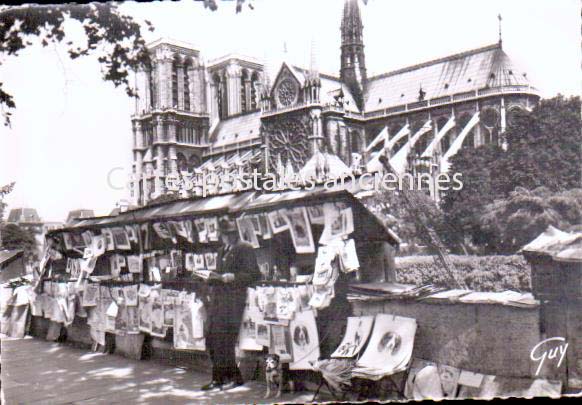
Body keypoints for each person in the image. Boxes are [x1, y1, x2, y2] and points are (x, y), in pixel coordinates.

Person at [201, 217, 262, 391]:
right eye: (224, 234)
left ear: (235, 233)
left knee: (225, 340)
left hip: (234, 301)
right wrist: (209, 277)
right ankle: (225, 377)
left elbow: (253, 275)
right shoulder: (221, 251)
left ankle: (227, 378)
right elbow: (219, 274)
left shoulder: (245, 248)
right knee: (212, 339)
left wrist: (233, 277)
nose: (227, 237)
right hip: (219, 300)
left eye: (230, 234)